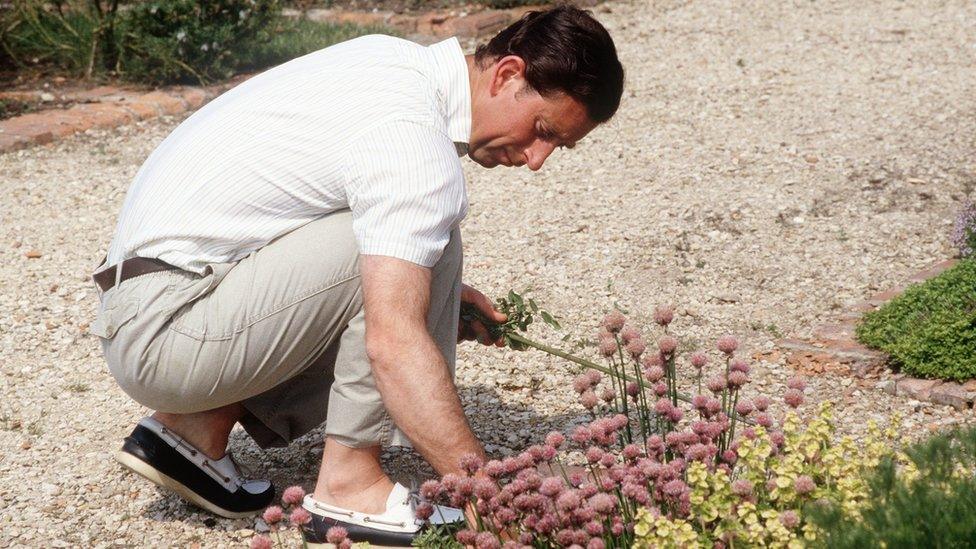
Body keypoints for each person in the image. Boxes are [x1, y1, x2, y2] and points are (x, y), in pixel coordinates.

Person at [90, 5, 623, 544]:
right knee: (420, 253)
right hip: (168, 332)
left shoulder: (389, 60)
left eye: (558, 147)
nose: (537, 159)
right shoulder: (415, 143)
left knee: (412, 256)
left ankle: (194, 432)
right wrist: (491, 497)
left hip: (150, 309)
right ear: (507, 74)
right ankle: (349, 484)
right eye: (542, 131)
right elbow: (392, 343)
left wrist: (436, 296)